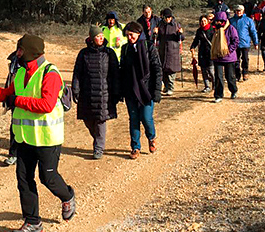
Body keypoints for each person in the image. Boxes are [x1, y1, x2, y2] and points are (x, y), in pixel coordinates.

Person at [0, 35, 76, 232]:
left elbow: (47, 105)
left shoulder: (50, 73)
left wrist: (18, 100)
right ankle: (33, 222)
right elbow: (9, 94)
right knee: (23, 179)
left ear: (31, 51)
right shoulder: (21, 71)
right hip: (24, 138)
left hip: (47, 138)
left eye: (20, 50)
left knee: (48, 178)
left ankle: (67, 196)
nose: (17, 53)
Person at [72, 26, 119, 159]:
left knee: (100, 120)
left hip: (104, 93)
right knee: (87, 119)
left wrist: (116, 92)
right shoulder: (83, 54)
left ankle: (98, 147)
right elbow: (77, 73)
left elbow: (115, 74)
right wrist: (75, 89)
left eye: (102, 36)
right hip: (86, 93)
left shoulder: (109, 53)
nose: (101, 38)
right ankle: (99, 139)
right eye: (98, 36)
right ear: (92, 38)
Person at [120, 22, 162, 159]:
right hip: (131, 90)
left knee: (146, 117)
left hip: (146, 90)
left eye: (131, 35)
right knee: (133, 119)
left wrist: (156, 90)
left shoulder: (149, 46)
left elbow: (157, 69)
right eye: (127, 36)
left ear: (139, 34)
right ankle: (135, 147)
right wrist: (121, 90)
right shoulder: (126, 49)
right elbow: (123, 70)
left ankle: (151, 137)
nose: (129, 38)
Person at [210, 12, 239, 102]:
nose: (218, 23)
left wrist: (228, 50)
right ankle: (218, 95)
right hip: (217, 56)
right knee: (218, 77)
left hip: (229, 57)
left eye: (219, 21)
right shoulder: (214, 30)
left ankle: (233, 90)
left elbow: (235, 41)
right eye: (216, 21)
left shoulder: (231, 29)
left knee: (230, 76)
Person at [155, 8, 183, 96]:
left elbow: (181, 39)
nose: (167, 19)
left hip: (173, 51)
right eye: (166, 17)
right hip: (162, 51)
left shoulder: (176, 25)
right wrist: (155, 33)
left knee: (171, 71)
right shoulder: (160, 25)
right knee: (163, 70)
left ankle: (170, 87)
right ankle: (166, 87)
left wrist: (180, 33)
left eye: (169, 17)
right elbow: (157, 38)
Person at [229, 5, 258, 82]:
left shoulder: (248, 20)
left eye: (240, 10)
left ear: (243, 11)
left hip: (245, 43)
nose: (239, 12)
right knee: (235, 60)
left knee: (245, 59)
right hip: (234, 44)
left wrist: (256, 42)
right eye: (237, 10)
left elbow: (253, 32)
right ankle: (237, 74)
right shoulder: (231, 21)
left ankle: (245, 72)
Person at [2, 50, 20, 166]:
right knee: (15, 126)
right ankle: (13, 154)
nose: (19, 52)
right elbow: (10, 81)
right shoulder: (15, 61)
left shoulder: (36, 65)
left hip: (30, 103)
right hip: (15, 100)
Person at [189, 13, 216, 92]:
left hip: (211, 52)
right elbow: (196, 40)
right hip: (202, 53)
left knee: (211, 71)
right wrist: (192, 47)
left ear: (208, 21)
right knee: (203, 71)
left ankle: (215, 84)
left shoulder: (212, 30)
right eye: (201, 21)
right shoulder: (199, 31)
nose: (203, 22)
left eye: (204, 21)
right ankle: (207, 86)